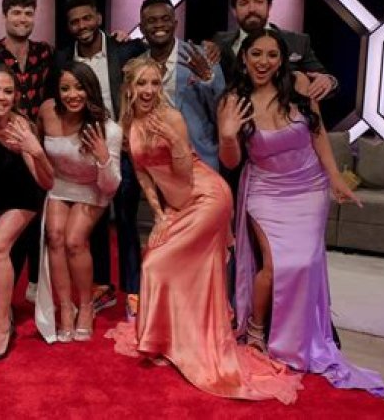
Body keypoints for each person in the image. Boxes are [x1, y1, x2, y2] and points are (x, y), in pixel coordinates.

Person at [106, 57, 302, 404]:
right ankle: (169, 339)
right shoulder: (129, 124)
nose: (149, 90)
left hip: (206, 196)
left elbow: (183, 178)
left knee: (158, 263)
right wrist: (159, 215)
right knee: (157, 263)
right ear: (129, 88)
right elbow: (143, 175)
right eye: (141, 83)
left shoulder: (172, 118)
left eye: (155, 83)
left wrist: (175, 143)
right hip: (176, 205)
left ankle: (187, 342)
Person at [217, 28, 384, 397]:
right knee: (275, 265)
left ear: (282, 60)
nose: (264, 62)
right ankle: (256, 331)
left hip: (308, 187)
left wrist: (335, 179)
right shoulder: (233, 101)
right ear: (244, 58)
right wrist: (229, 135)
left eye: (272, 55)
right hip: (265, 189)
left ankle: (299, 337)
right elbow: (230, 161)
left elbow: (318, 133)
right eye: (256, 54)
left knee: (304, 264)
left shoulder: (297, 84)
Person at [56, 0, 146, 316]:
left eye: (86, 18)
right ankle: (102, 286)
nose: (82, 26)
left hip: (121, 146)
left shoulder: (126, 50)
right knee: (93, 223)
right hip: (84, 149)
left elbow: (151, 74)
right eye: (74, 22)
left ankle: (133, 292)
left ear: (98, 18)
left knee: (126, 220)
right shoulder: (63, 58)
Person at [0, 63, 54, 361]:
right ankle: (5, 315)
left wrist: (36, 150)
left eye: (7, 91)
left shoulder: (20, 126)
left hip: (23, 196)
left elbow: (46, 182)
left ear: (15, 96)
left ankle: (2, 325)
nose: (1, 97)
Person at [34, 61, 122, 343]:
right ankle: (65, 307)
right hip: (60, 184)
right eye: (65, 88)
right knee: (54, 236)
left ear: (91, 90)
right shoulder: (47, 111)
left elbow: (111, 185)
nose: (72, 95)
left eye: (79, 87)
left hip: (94, 187)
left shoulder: (109, 129)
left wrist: (103, 158)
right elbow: (37, 147)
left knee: (74, 241)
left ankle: (85, 306)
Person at [0, 0, 56, 303]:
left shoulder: (45, 52)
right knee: (5, 220)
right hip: (2, 143)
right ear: (5, 16)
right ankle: (2, 291)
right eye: (16, 12)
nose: (22, 19)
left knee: (37, 215)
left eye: (28, 13)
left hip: (38, 142)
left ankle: (34, 282)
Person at [212, 0, 338, 102]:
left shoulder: (298, 42)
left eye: (258, 1)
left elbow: (324, 78)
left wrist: (329, 81)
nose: (252, 9)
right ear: (234, 10)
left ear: (269, 6)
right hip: (232, 112)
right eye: (244, 3)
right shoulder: (219, 42)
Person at [139, 0, 226, 171]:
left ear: (175, 23)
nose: (159, 25)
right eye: (151, 21)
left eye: (165, 19)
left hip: (200, 161)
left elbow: (222, 112)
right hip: (156, 166)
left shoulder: (201, 57)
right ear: (142, 28)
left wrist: (207, 79)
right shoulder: (137, 66)